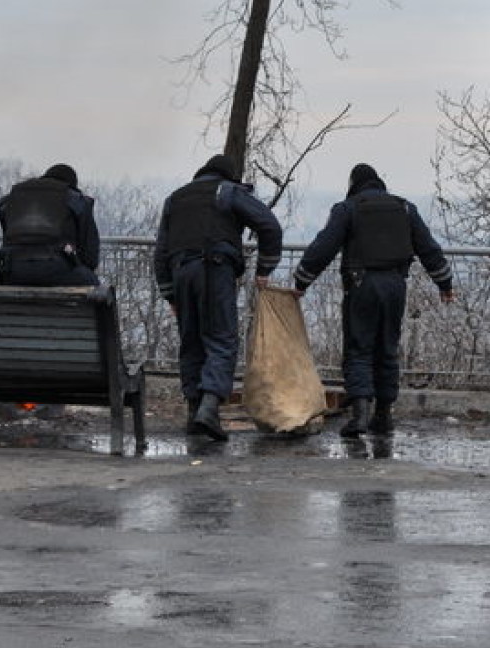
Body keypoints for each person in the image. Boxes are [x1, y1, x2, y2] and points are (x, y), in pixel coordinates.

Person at [294, 163, 454, 439]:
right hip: (395, 285)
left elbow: (324, 246)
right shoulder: (404, 208)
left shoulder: (348, 208)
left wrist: (302, 280)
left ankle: (359, 414)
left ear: (353, 183)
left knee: (359, 349)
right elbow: (428, 247)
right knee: (387, 348)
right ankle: (383, 415)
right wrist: (445, 283)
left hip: (361, 285)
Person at [153, 154, 282, 441]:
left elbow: (160, 252)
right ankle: (209, 410)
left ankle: (193, 412)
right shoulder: (228, 191)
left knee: (192, 343)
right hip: (214, 268)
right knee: (221, 339)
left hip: (180, 272)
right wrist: (264, 270)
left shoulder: (176, 198)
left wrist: (170, 295)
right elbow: (270, 226)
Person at [0, 164, 100, 286]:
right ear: (71, 185)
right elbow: (90, 257)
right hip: (57, 270)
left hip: (14, 271)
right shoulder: (76, 200)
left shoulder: (11, 199)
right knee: (93, 283)